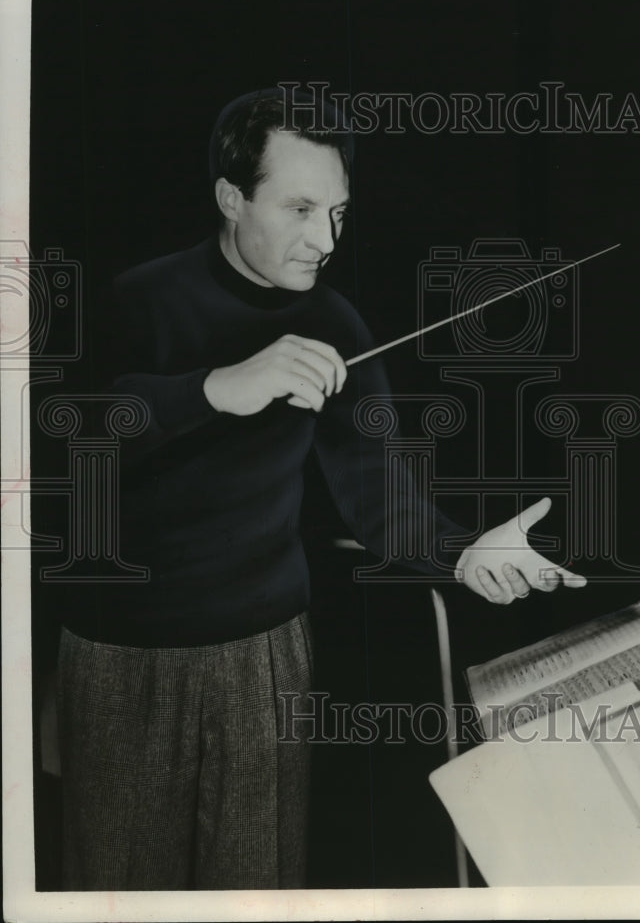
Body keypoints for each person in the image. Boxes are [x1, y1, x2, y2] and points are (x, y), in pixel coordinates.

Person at [55, 88, 586, 891]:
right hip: (118, 657)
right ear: (232, 198)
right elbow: (53, 441)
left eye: (337, 211)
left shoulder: (336, 323)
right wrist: (212, 389)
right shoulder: (135, 300)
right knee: (115, 894)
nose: (324, 238)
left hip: (265, 655)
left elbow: (382, 500)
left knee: (257, 890)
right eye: (300, 208)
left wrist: (464, 553)